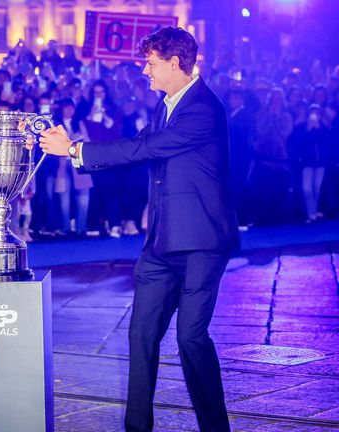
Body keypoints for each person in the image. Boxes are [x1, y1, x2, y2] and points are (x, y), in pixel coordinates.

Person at [39, 27, 239, 432]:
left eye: (149, 63)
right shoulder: (164, 105)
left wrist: (76, 150)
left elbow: (146, 148)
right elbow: (137, 147)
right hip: (161, 243)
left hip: (201, 242)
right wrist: (79, 148)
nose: (143, 70)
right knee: (140, 336)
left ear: (174, 63)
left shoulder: (202, 108)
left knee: (190, 339)